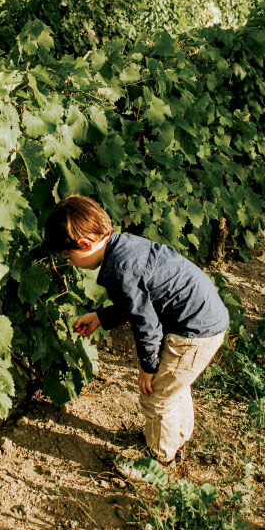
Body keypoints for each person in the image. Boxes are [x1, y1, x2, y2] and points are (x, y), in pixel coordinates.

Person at [44, 195, 229, 482]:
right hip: (204, 319)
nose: (72, 263)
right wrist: (100, 317)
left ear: (84, 245)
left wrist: (148, 367)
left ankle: (160, 461)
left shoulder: (119, 270)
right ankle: (176, 437)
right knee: (173, 386)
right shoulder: (125, 247)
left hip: (193, 334)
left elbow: (147, 324)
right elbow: (139, 302)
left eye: (70, 258)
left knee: (156, 395)